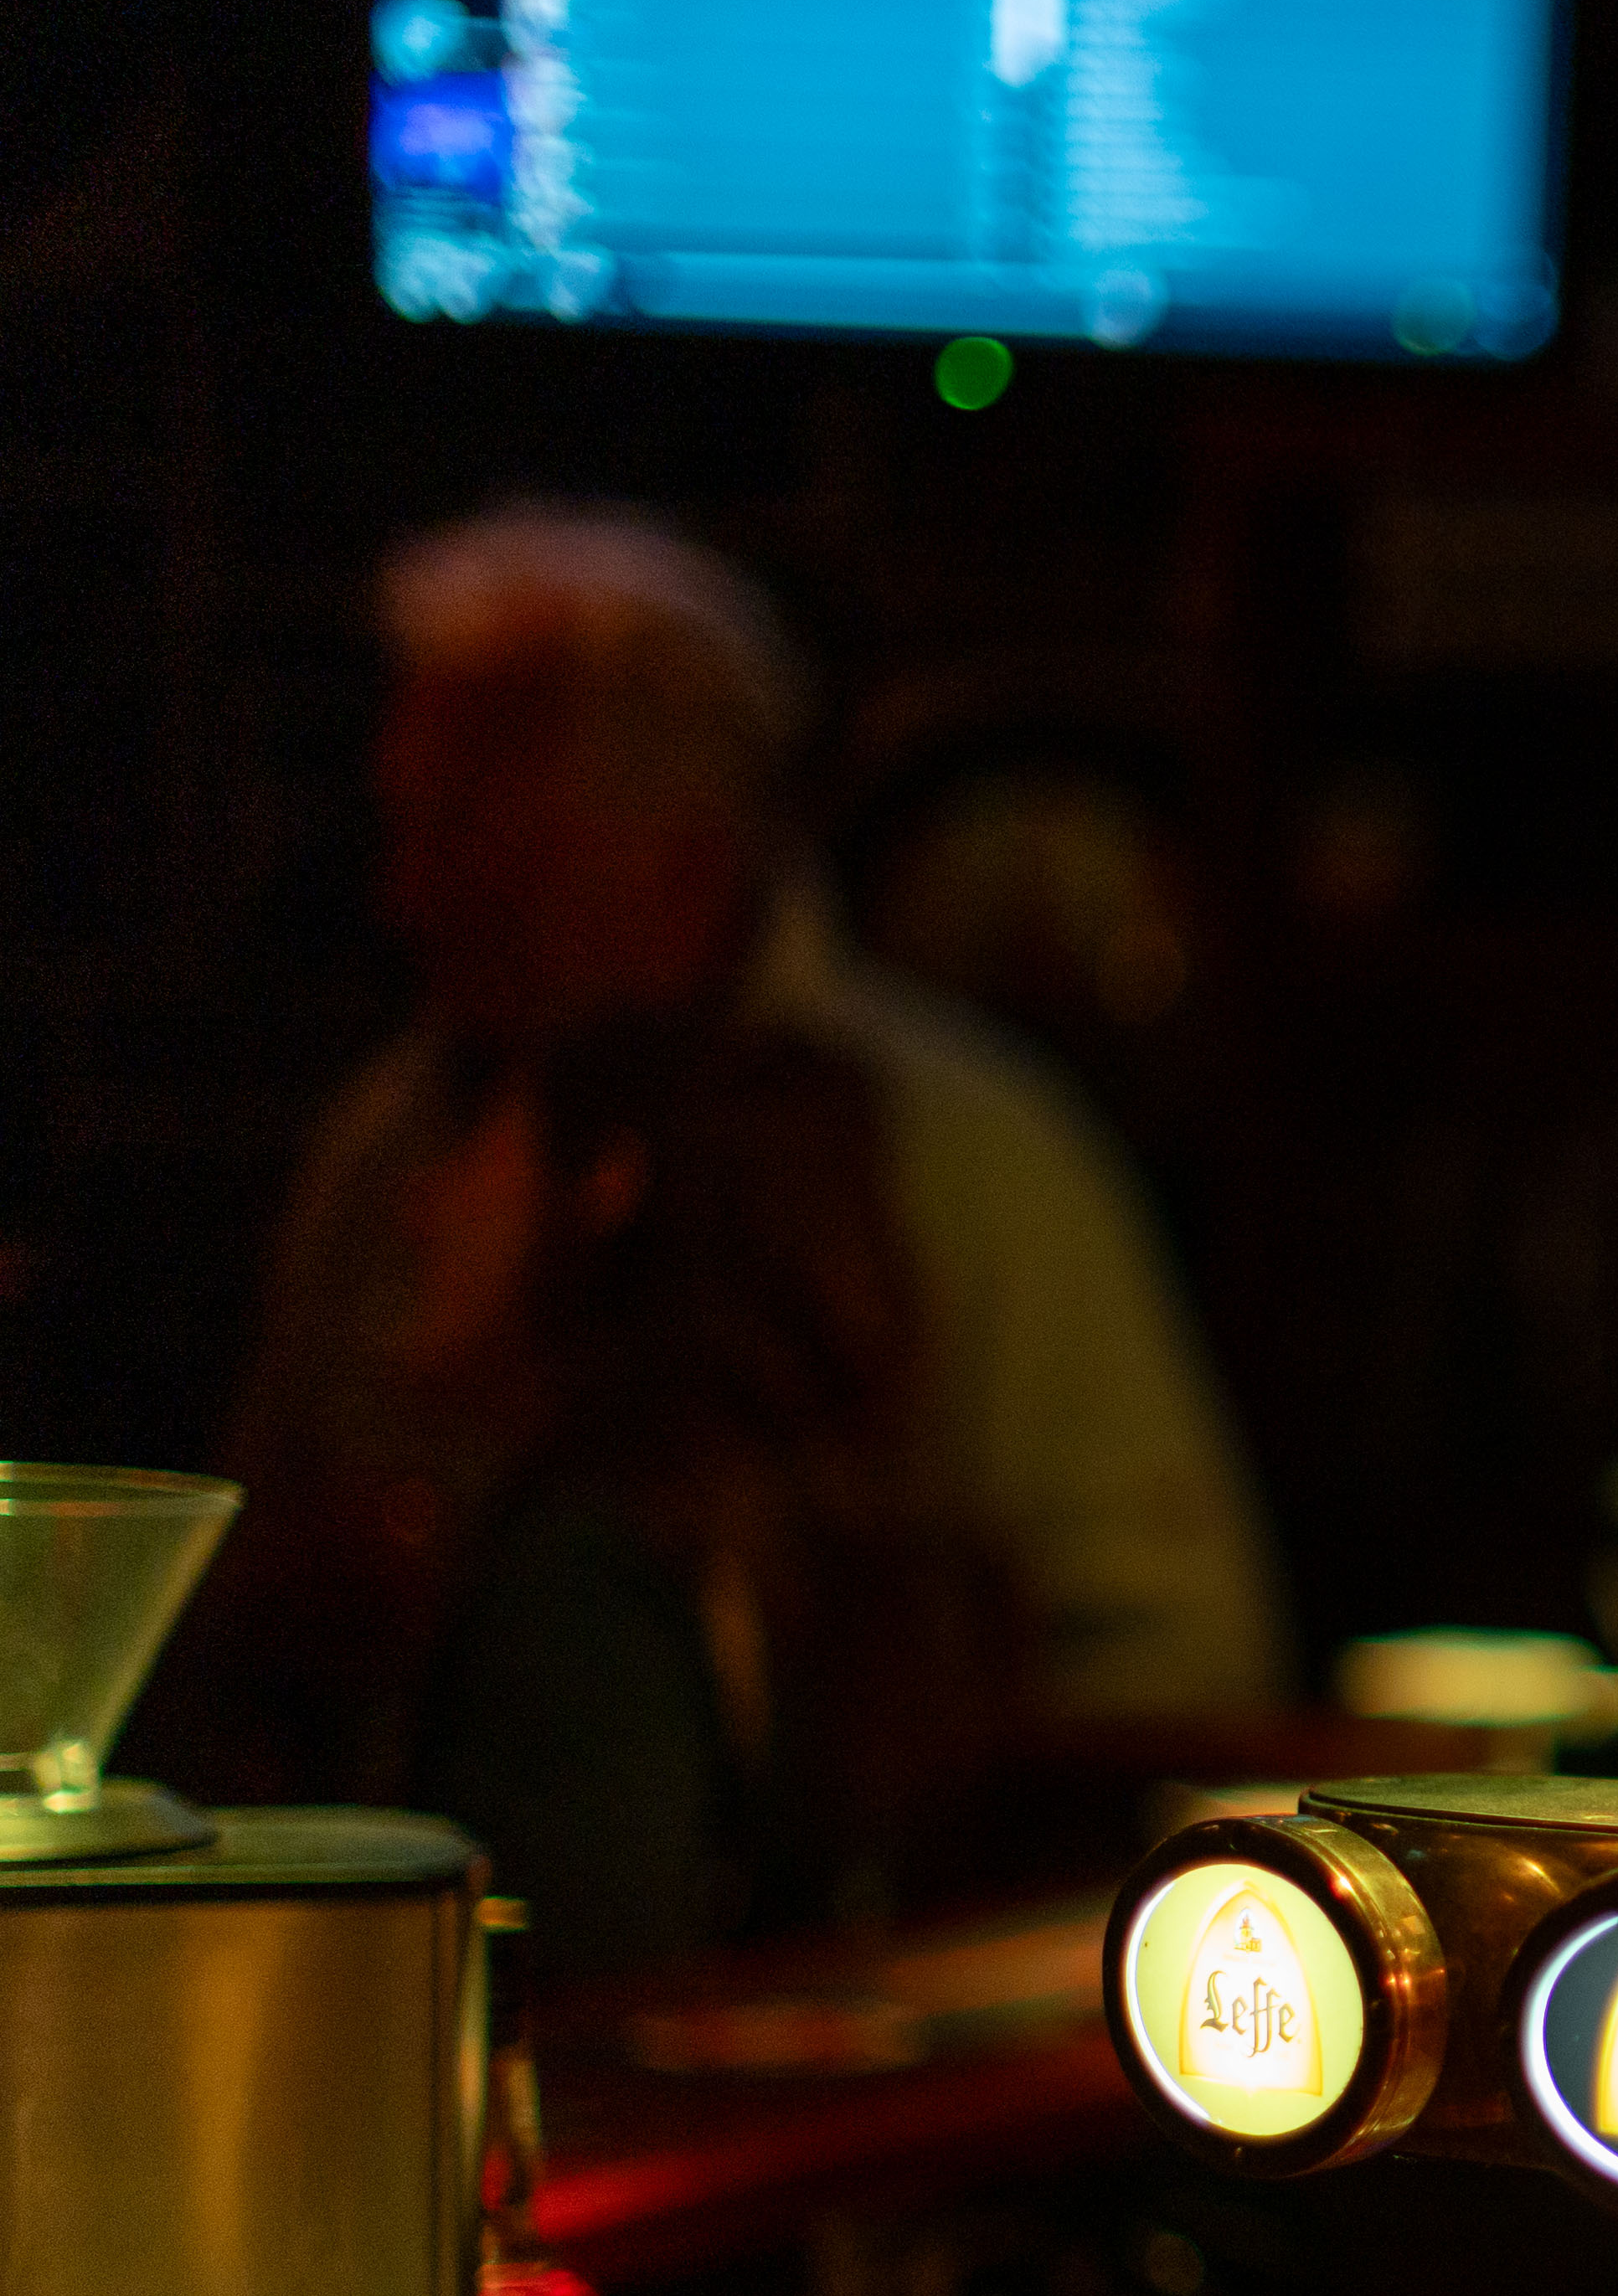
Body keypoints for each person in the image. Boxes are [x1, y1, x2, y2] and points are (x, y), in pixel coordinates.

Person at [192, 509, 1282, 1955]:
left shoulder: (965, 1160)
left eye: (475, 841)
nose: (405, 901)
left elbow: (1179, 1662)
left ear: (686, 865)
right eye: (406, 829)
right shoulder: (393, 1135)